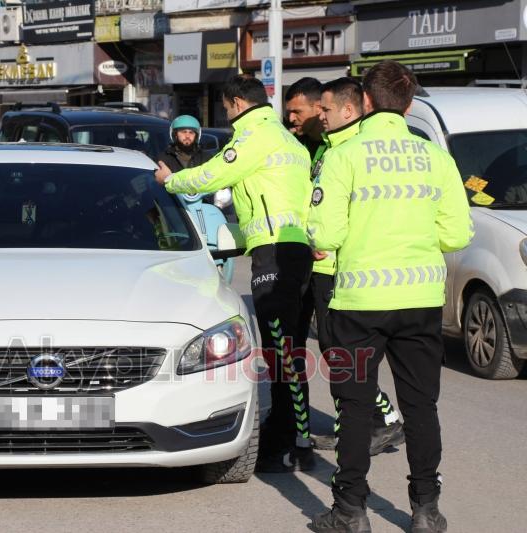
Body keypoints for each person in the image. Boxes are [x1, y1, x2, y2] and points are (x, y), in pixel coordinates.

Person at [308, 60, 473, 532]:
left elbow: (325, 232)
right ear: (410, 103)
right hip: (420, 300)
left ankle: (350, 511)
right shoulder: (435, 158)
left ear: (365, 101)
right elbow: (458, 232)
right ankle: (426, 509)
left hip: (358, 304)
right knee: (421, 407)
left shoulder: (345, 155)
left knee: (356, 408)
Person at [155, 75, 315, 473]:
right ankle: (294, 435)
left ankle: (290, 443)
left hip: (275, 254)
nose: (226, 116)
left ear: (238, 103)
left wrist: (170, 181)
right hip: (294, 250)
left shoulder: (255, 138)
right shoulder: (289, 141)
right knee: (288, 350)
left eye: (225, 109)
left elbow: (211, 176)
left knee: (281, 353)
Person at [302, 78, 405, 455]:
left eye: (325, 109)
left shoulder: (350, 150)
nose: (319, 115)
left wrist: (319, 240)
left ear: (349, 110)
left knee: (343, 355)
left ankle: (384, 419)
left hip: (338, 270)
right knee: (336, 354)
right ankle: (360, 425)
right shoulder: (330, 148)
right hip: (324, 266)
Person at [285, 77, 324, 159]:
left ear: (319, 108)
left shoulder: (338, 144)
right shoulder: (292, 143)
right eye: (289, 113)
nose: (291, 119)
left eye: (297, 112)